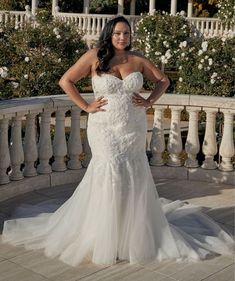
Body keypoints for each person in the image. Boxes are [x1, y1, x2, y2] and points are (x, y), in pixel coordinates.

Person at [1, 16, 234, 267]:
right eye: (118, 33)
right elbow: (66, 81)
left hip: (132, 127)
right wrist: (86, 106)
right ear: (109, 34)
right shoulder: (94, 56)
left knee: (132, 173)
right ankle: (104, 235)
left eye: (126, 33)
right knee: (108, 173)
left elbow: (163, 80)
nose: (122, 37)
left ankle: (131, 233)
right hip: (104, 127)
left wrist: (149, 101)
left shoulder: (138, 59)